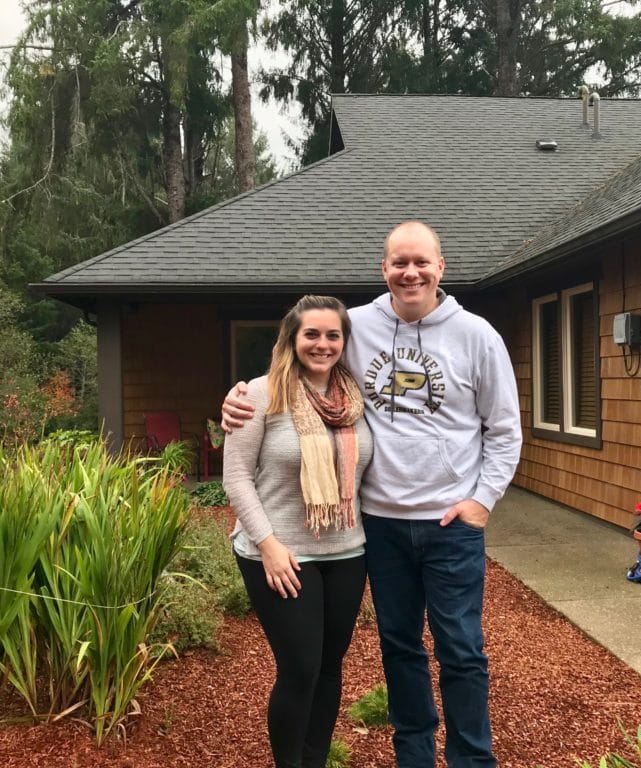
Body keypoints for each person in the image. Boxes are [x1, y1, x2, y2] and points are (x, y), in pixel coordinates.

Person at [223, 221, 522, 768]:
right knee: (400, 649)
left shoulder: (477, 336)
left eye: (421, 262)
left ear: (441, 268)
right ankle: (413, 757)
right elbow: (295, 363)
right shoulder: (354, 327)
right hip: (378, 525)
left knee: (461, 651)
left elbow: (504, 429)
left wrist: (483, 499)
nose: (411, 272)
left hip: (450, 523)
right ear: (383, 269)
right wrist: (237, 397)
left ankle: (471, 760)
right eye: (399, 263)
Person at [223, 294, 374, 768]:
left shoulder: (354, 399)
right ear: (292, 338)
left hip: (347, 550)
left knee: (329, 669)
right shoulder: (259, 395)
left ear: (344, 342)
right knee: (301, 668)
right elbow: (236, 477)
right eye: (312, 334)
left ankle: (315, 760)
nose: (322, 344)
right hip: (281, 554)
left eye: (333, 335)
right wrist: (267, 545)